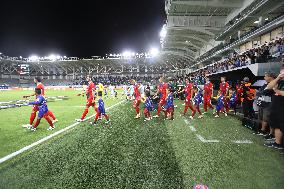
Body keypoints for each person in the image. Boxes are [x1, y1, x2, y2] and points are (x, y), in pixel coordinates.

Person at [264, 67, 284, 150]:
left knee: (281, 125)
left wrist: (278, 91)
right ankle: (277, 142)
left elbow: (278, 91)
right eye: (281, 72)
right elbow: (269, 87)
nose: (282, 74)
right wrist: (278, 77)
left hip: (282, 107)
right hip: (277, 107)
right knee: (277, 125)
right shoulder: (279, 81)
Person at [255, 72, 276, 138]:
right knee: (262, 117)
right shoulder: (265, 84)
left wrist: (260, 92)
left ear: (270, 77)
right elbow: (260, 91)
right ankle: (263, 130)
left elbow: (265, 92)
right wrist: (260, 92)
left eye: (265, 76)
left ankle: (271, 134)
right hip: (263, 103)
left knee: (268, 118)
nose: (264, 78)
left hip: (269, 104)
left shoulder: (274, 83)